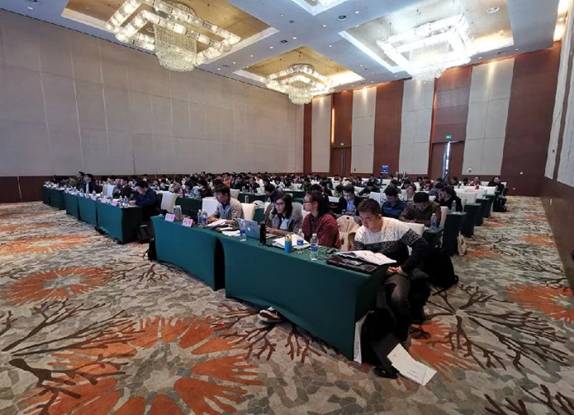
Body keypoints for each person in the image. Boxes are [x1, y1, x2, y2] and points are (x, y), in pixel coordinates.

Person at [353, 199, 431, 376]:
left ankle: (402, 335)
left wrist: (405, 268)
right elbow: (360, 258)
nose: (364, 223)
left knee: (396, 299)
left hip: (396, 271)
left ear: (379, 216)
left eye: (368, 219)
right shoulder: (361, 233)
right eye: (361, 219)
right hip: (375, 272)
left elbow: (422, 246)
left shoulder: (395, 226)